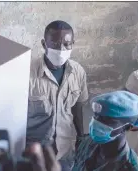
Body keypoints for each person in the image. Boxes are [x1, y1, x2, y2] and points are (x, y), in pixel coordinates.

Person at [26, 20, 88, 170]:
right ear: (44, 44)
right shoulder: (27, 73)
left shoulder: (78, 72)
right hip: (34, 155)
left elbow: (78, 106)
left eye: (67, 44)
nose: (61, 50)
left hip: (65, 152)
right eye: (54, 44)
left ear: (73, 43)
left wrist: (81, 137)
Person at [73, 90, 138, 171]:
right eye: (96, 116)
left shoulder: (132, 168)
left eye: (108, 120)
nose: (96, 122)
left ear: (128, 127)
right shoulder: (87, 142)